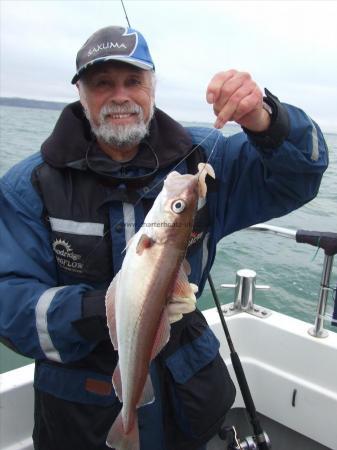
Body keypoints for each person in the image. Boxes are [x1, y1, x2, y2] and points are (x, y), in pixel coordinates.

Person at [0, 25, 328, 450]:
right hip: (82, 411)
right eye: (103, 83)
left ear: (153, 87)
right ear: (81, 94)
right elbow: (9, 303)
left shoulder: (201, 162)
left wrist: (266, 119)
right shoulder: (31, 185)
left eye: (133, 81)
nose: (120, 95)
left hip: (187, 396)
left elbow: (300, 176)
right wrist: (100, 310)